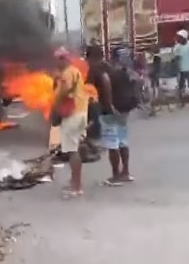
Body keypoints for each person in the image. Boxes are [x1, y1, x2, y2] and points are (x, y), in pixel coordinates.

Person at [97, 48, 140, 186]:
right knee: (123, 141)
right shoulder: (127, 73)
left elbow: (106, 95)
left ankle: (115, 175)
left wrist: (110, 108)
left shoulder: (109, 75)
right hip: (124, 112)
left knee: (112, 144)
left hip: (111, 113)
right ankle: (125, 172)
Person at [52, 47, 89, 198]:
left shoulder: (66, 74)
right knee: (74, 148)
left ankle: (77, 186)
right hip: (80, 112)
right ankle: (74, 181)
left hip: (72, 114)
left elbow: (63, 93)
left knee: (72, 151)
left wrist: (55, 107)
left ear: (63, 59)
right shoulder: (74, 71)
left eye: (57, 59)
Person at [172, 29, 189, 106]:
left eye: (180, 37)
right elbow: (174, 57)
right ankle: (181, 101)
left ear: (184, 38)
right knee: (181, 85)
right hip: (181, 69)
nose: (178, 39)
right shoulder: (177, 46)